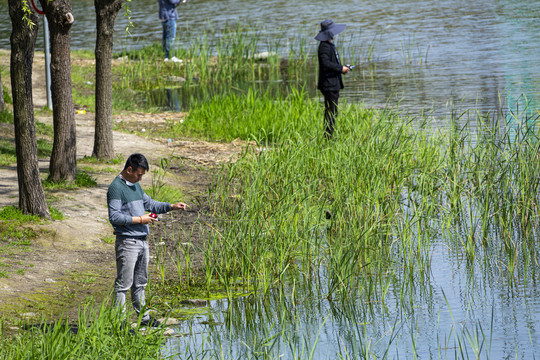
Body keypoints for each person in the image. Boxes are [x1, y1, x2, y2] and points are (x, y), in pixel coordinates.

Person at [107, 153, 187, 328]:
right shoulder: (115, 188)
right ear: (129, 169)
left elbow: (150, 204)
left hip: (142, 241)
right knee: (123, 285)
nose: (141, 178)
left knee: (140, 282)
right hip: (127, 242)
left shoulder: (135, 186)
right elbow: (114, 217)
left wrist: (171, 206)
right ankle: (120, 323)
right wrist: (140, 219)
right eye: (139, 174)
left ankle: (144, 318)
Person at [315, 19, 350, 139]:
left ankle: (328, 136)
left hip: (333, 83)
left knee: (332, 111)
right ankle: (328, 137)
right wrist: (340, 69)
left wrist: (343, 69)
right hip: (328, 85)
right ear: (329, 33)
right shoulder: (324, 47)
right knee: (331, 112)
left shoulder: (329, 45)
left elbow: (331, 63)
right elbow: (325, 64)